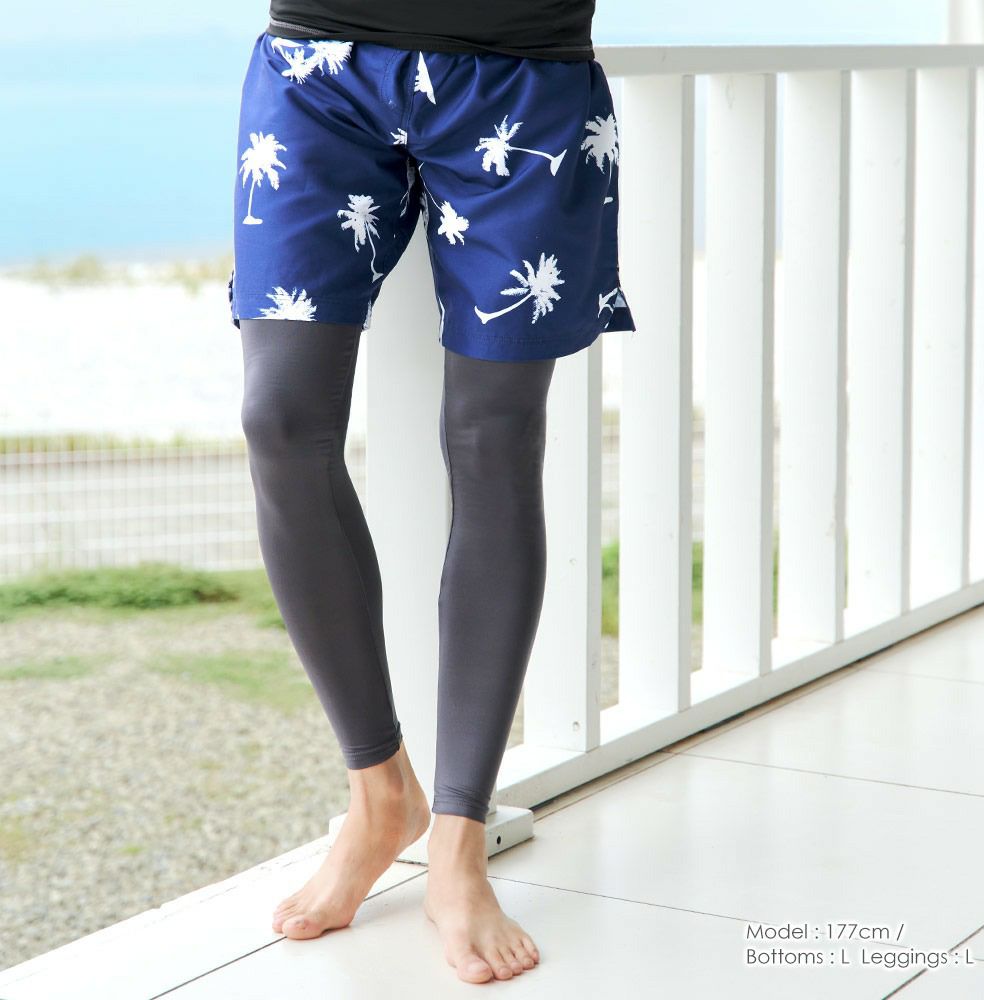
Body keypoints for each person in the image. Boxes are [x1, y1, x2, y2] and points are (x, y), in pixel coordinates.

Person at [229, 0, 636, 985]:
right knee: (280, 421)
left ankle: (458, 839)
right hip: (316, 66)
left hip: (524, 71)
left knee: (496, 441)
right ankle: (381, 797)